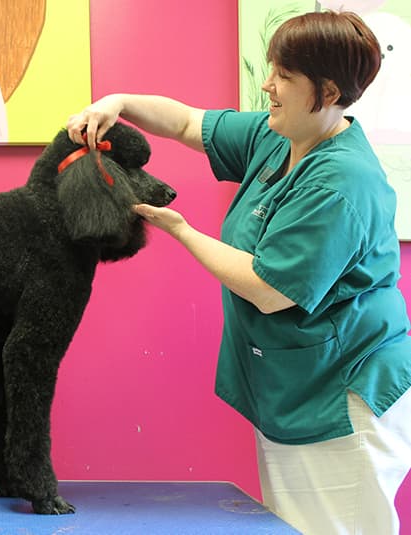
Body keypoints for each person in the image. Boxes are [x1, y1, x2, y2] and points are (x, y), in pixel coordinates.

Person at [67, 10, 411, 535]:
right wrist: (117, 102)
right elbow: (185, 122)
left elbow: (270, 289)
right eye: (270, 68)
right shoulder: (282, 134)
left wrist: (180, 230)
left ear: (328, 91)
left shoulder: (343, 182)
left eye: (285, 77)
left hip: (341, 394)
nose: (267, 85)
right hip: (294, 380)